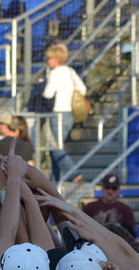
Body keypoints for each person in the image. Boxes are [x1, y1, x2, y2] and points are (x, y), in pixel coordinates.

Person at [42, 43, 86, 183]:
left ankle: (74, 173)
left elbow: (48, 94)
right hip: (70, 114)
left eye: (49, 58)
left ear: (55, 59)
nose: (47, 61)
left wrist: (43, 83)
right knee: (57, 147)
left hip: (58, 115)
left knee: (55, 148)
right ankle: (54, 181)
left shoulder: (56, 73)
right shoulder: (70, 71)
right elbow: (83, 89)